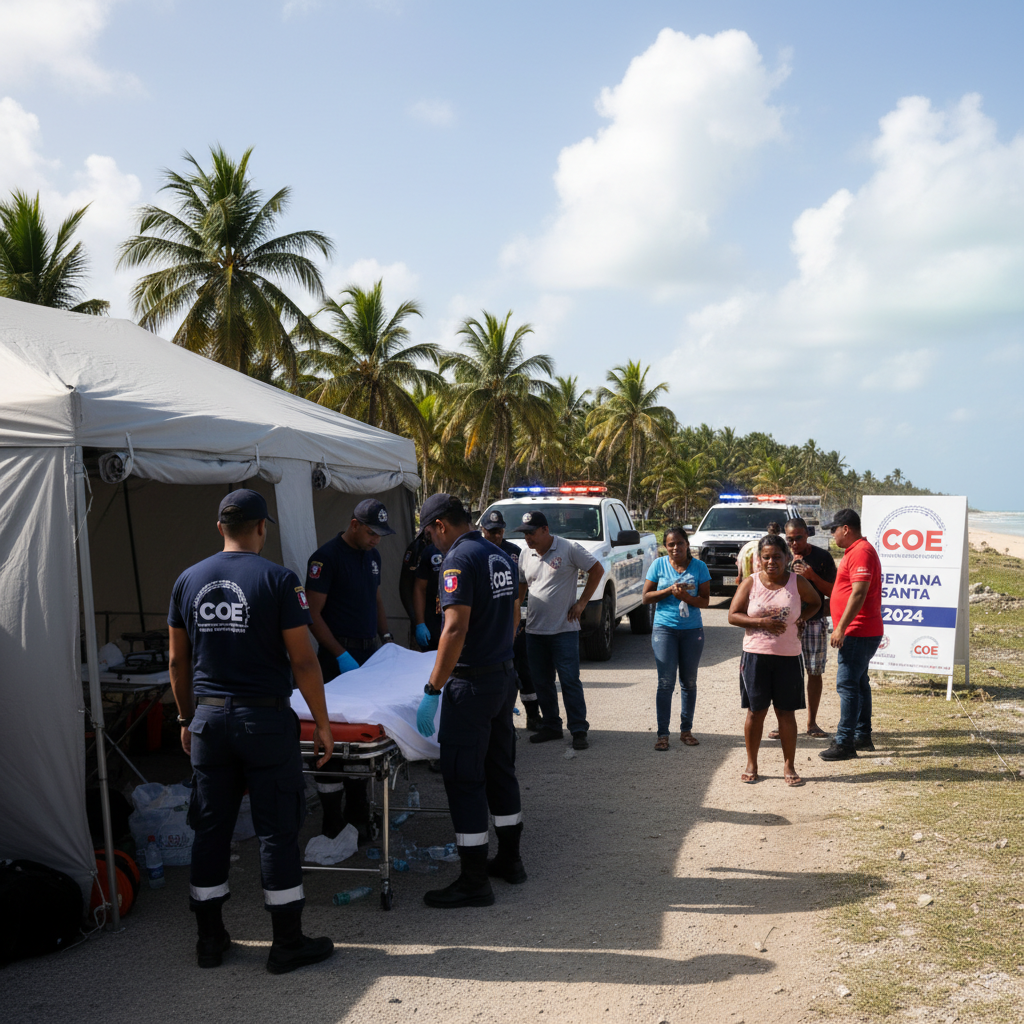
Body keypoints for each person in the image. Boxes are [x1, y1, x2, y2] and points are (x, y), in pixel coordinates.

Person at [168, 489, 334, 973]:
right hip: (263, 720)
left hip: (209, 721)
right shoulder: (279, 580)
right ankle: (287, 943)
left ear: (220, 527)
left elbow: (177, 662)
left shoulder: (186, 581)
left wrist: (185, 718)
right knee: (276, 830)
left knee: (210, 828)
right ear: (262, 528)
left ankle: (209, 940)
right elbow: (303, 661)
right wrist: (322, 723)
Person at [413, 493, 525, 907]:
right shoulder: (500, 556)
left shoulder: (457, 560)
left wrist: (433, 688)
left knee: (464, 778)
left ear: (440, 525)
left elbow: (455, 629)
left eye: (429, 534)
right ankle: (510, 860)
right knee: (500, 770)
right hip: (502, 675)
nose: (431, 542)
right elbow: (512, 615)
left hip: (472, 684)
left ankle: (474, 880)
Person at [304, 498, 396, 839]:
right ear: (354, 525)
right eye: (372, 533)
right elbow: (312, 614)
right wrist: (340, 653)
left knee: (361, 735)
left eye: (381, 535)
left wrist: (386, 638)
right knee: (330, 733)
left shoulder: (372, 556)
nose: (376, 540)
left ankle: (358, 810)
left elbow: (376, 599)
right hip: (336, 657)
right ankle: (332, 817)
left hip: (368, 654)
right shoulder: (325, 558)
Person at [728, 533, 821, 786]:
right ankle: (752, 763)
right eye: (766, 557)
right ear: (759, 559)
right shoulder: (750, 582)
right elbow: (733, 615)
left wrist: (802, 618)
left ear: (787, 558)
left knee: (786, 713)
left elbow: (815, 602)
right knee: (755, 712)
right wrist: (761, 622)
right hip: (755, 656)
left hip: (788, 657)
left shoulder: (797, 582)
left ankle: (789, 765)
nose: (771, 562)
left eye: (777, 557)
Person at [515, 510, 605, 750]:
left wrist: (582, 603)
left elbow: (597, 570)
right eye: (524, 534)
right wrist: (515, 617)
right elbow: (522, 586)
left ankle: (578, 730)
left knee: (569, 681)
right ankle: (552, 726)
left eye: (531, 533)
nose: (527, 538)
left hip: (564, 630)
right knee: (542, 682)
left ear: (545, 529)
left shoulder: (568, 548)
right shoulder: (525, 554)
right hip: (535, 631)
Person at [819, 508, 884, 761]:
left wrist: (841, 628)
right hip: (860, 630)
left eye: (834, 530)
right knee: (858, 683)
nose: (832, 535)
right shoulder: (855, 551)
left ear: (846, 529)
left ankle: (845, 742)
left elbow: (859, 592)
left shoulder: (861, 552)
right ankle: (862, 735)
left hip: (858, 631)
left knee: (847, 685)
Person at [641, 527, 711, 750]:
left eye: (680, 543)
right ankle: (662, 734)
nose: (675, 548)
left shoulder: (699, 567)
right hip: (665, 630)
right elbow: (646, 598)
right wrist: (669, 591)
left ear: (687, 544)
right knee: (665, 682)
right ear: (665, 546)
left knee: (689, 682)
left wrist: (687, 597)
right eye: (671, 544)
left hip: (692, 631)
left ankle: (686, 731)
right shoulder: (658, 565)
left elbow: (705, 601)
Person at [770, 517, 837, 739]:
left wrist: (811, 576)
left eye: (798, 538)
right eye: (789, 539)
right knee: (784, 673)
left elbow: (833, 592)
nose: (794, 543)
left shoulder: (822, 557)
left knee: (814, 672)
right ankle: (783, 723)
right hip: (786, 623)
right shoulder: (782, 556)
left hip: (814, 621)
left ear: (807, 534)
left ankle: (812, 723)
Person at [480, 508, 541, 729]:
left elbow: (521, 589)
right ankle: (501, 718)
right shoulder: (476, 552)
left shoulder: (515, 552)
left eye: (500, 531)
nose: (496, 535)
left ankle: (533, 715)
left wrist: (519, 620)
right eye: (492, 531)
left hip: (515, 621)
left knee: (524, 670)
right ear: (483, 530)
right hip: (490, 624)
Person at [399, 531, 433, 648]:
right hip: (422, 618)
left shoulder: (448, 545)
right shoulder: (417, 547)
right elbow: (405, 586)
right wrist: (417, 621)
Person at [412, 541, 444, 651]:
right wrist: (420, 623)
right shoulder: (431, 551)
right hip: (434, 619)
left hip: (460, 618)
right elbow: (419, 588)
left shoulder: (468, 549)